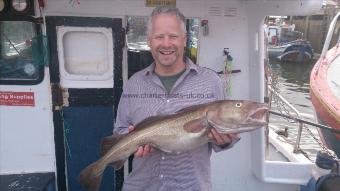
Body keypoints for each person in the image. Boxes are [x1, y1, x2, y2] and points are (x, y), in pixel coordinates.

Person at [114, 5, 240, 191]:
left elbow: (223, 141)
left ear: (184, 40)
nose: (166, 44)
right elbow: (120, 130)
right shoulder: (134, 83)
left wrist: (225, 140)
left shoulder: (211, 81)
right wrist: (131, 139)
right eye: (159, 37)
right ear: (149, 41)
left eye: (173, 36)